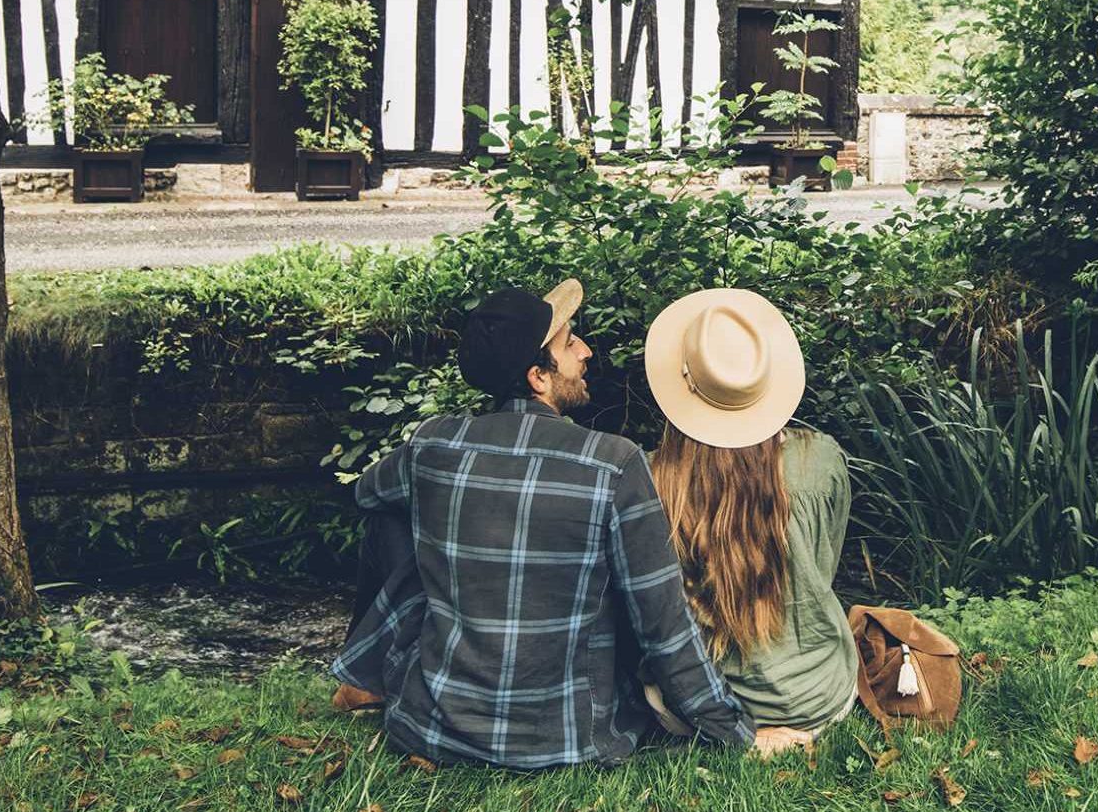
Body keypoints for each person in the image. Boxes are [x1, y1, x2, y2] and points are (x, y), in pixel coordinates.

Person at [329, 279, 755, 769]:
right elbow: (664, 625)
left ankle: (366, 675)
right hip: (569, 741)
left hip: (433, 729)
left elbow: (366, 494)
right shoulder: (614, 462)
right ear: (538, 377)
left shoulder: (431, 445)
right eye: (570, 344)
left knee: (392, 515)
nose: (586, 351)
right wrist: (735, 733)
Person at [642, 287, 859, 753]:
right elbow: (823, 565)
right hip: (821, 698)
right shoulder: (821, 460)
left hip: (704, 711)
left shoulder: (652, 478)